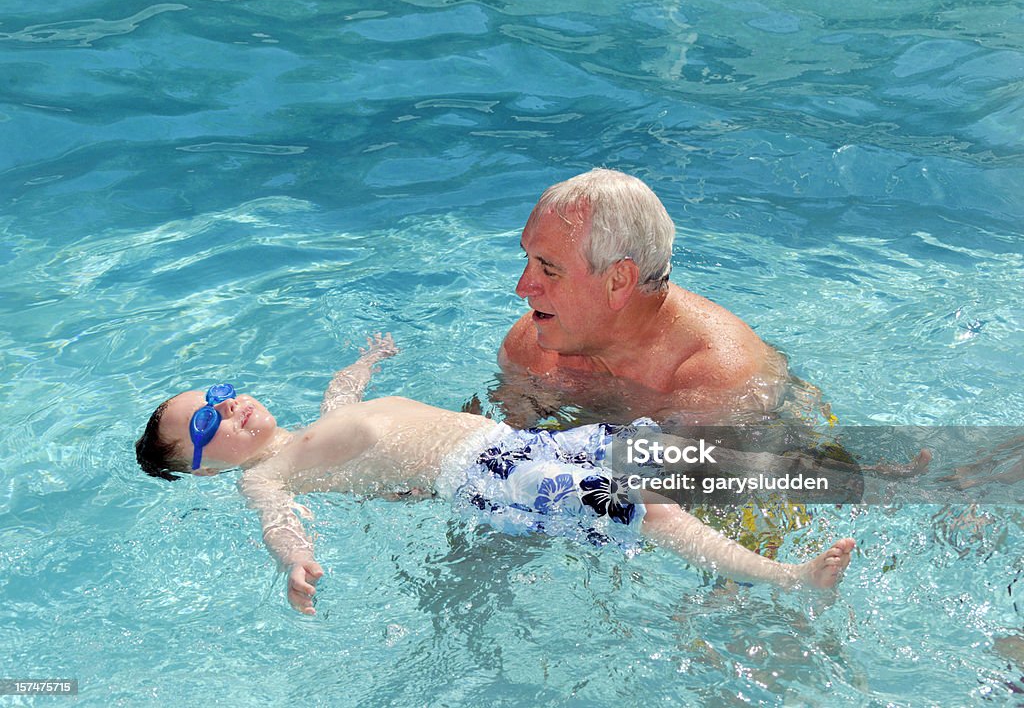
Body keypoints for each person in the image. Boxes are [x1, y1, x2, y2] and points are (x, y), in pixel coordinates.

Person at [135, 334, 855, 616]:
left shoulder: (312, 424)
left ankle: (776, 504)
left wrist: (364, 361)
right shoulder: (264, 476)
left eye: (221, 393)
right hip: (485, 474)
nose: (229, 408)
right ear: (199, 469)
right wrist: (297, 564)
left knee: (657, 455)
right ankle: (787, 578)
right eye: (207, 424)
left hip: (511, 442)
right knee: (644, 507)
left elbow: (344, 394)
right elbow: (278, 525)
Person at [497, 168, 796, 428]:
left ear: (619, 281)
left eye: (548, 270)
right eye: (528, 260)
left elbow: (686, 488)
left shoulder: (714, 383)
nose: (523, 287)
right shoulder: (533, 348)